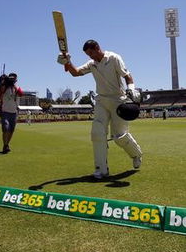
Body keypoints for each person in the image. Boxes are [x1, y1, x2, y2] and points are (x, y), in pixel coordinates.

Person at [58, 39, 142, 179]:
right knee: (97, 133)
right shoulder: (92, 64)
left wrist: (131, 89)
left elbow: (127, 76)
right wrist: (67, 61)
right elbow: (76, 72)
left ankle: (136, 154)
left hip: (118, 100)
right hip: (101, 100)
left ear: (97, 48)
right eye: (87, 54)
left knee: (119, 137)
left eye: (91, 53)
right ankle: (101, 170)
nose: (90, 57)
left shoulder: (114, 58)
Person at [0, 73, 23, 154]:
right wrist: (0, 83)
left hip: (14, 112)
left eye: (13, 78)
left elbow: (21, 94)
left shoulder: (16, 88)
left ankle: (7, 144)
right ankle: (5, 145)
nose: (12, 79)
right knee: (6, 128)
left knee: (11, 130)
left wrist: (14, 85)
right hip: (5, 111)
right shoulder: (4, 88)